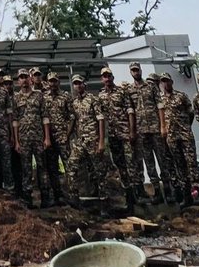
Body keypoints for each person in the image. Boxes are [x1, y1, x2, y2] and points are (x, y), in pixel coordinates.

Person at [124, 63, 171, 203]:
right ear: (130, 72)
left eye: (137, 70)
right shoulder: (130, 90)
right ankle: (157, 192)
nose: (135, 72)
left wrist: (163, 126)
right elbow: (130, 110)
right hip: (141, 131)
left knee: (162, 159)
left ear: (140, 70)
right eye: (133, 70)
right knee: (149, 162)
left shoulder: (150, 86)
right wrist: (133, 131)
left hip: (155, 128)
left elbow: (160, 106)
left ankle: (168, 191)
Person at [97, 67, 135, 212]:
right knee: (120, 166)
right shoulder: (100, 96)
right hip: (113, 136)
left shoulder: (121, 92)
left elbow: (130, 111)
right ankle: (127, 198)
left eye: (109, 76)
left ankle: (134, 198)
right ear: (102, 79)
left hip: (125, 134)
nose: (107, 78)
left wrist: (131, 131)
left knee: (130, 164)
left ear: (112, 77)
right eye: (104, 76)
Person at [159, 73, 199, 204]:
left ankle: (197, 193)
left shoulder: (181, 96)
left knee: (191, 162)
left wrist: (186, 126)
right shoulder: (160, 99)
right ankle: (186, 194)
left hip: (185, 134)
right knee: (179, 164)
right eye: (163, 82)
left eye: (168, 81)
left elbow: (191, 113)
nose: (166, 84)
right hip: (172, 136)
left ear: (171, 82)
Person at [65, 74, 107, 207]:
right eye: (75, 84)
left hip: (93, 140)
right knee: (71, 165)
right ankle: (74, 199)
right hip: (80, 141)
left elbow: (101, 120)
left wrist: (101, 141)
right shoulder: (75, 102)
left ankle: (104, 201)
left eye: (79, 83)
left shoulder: (93, 99)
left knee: (99, 171)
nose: (78, 86)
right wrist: (68, 136)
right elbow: (74, 120)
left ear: (84, 84)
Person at [13, 68, 49, 207]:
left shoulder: (39, 95)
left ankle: (45, 197)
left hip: (38, 137)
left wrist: (47, 138)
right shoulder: (15, 98)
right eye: (21, 77)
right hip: (24, 139)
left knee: (42, 167)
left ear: (30, 78)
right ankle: (28, 199)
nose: (23, 80)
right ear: (18, 81)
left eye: (25, 77)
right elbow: (15, 121)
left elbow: (45, 117)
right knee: (26, 169)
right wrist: (16, 141)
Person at [42, 71, 71, 206]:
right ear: (47, 83)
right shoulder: (44, 97)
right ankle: (57, 195)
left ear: (58, 82)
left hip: (63, 137)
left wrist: (68, 134)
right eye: (50, 81)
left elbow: (72, 117)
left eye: (54, 81)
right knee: (52, 168)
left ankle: (72, 195)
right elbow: (42, 117)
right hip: (49, 138)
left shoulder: (65, 96)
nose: (52, 83)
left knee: (69, 166)